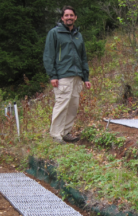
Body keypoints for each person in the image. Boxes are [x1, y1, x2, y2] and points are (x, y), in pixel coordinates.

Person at [43, 5, 91, 143]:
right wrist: (53, 75)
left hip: (77, 76)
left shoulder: (78, 35)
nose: (69, 17)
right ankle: (56, 135)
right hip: (62, 75)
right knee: (62, 104)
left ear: (75, 17)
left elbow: (83, 57)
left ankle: (66, 133)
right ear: (62, 18)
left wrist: (85, 77)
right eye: (66, 15)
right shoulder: (54, 33)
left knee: (73, 106)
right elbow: (48, 55)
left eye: (71, 15)